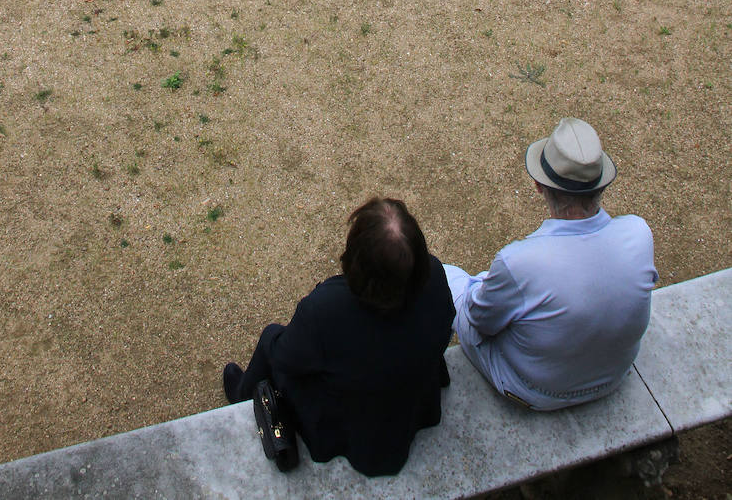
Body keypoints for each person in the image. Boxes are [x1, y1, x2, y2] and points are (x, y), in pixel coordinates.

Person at [223, 198, 454, 478]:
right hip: (412, 404)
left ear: (355, 259)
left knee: (272, 337)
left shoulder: (325, 310)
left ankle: (242, 399)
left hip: (353, 429)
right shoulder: (436, 277)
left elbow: (286, 360)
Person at [443, 118, 656, 411]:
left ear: (539, 185)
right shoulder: (639, 233)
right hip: (613, 376)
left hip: (534, 389)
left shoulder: (519, 262)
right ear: (601, 185)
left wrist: (486, 286)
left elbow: (481, 321)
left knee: (446, 278)